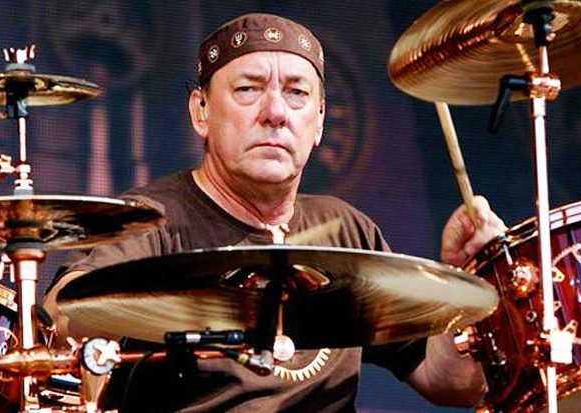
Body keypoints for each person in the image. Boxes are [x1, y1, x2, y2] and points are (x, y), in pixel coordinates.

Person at [43, 13, 507, 412]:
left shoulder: (346, 229)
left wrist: (469, 274)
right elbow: (61, 316)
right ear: (201, 112)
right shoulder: (151, 220)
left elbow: (453, 384)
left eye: (296, 93)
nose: (275, 112)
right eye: (248, 89)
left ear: (319, 121)